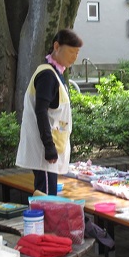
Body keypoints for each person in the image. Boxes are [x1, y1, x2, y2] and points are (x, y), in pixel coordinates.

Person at [16, 29, 83, 195]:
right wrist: (49, 146)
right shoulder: (47, 74)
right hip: (44, 153)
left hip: (50, 150)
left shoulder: (55, 73)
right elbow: (41, 111)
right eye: (71, 51)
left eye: (77, 52)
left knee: (47, 196)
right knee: (46, 199)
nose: (74, 57)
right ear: (56, 46)